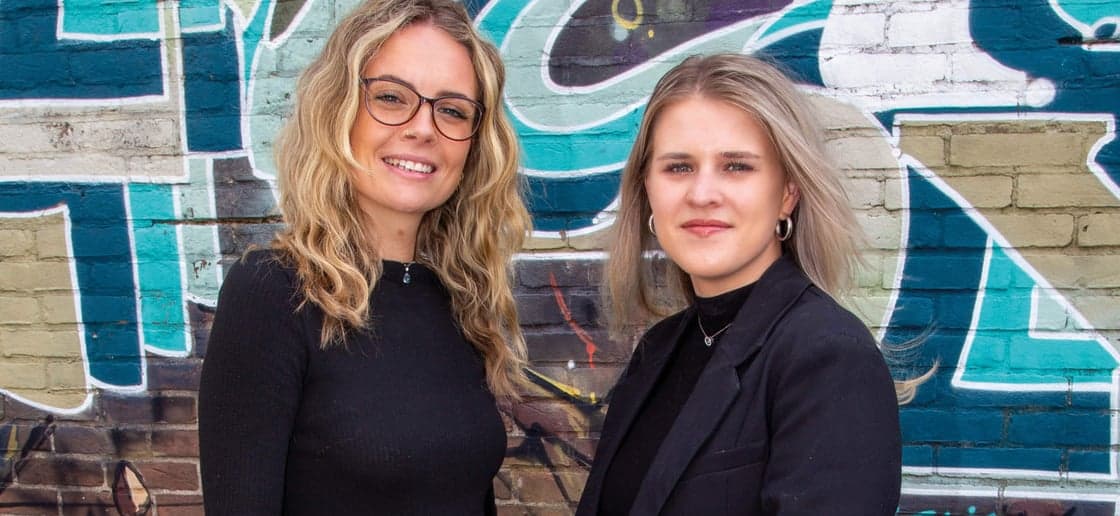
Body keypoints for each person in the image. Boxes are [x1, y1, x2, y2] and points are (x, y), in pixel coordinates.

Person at [197, 0, 530, 514]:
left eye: (452, 110)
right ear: (340, 111)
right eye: (392, 98)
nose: (423, 128)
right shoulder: (274, 293)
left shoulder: (459, 300)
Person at [576, 54, 912, 515]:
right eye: (678, 167)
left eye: (736, 166)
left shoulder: (827, 356)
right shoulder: (659, 349)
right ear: (648, 188)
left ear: (787, 193)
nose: (701, 194)